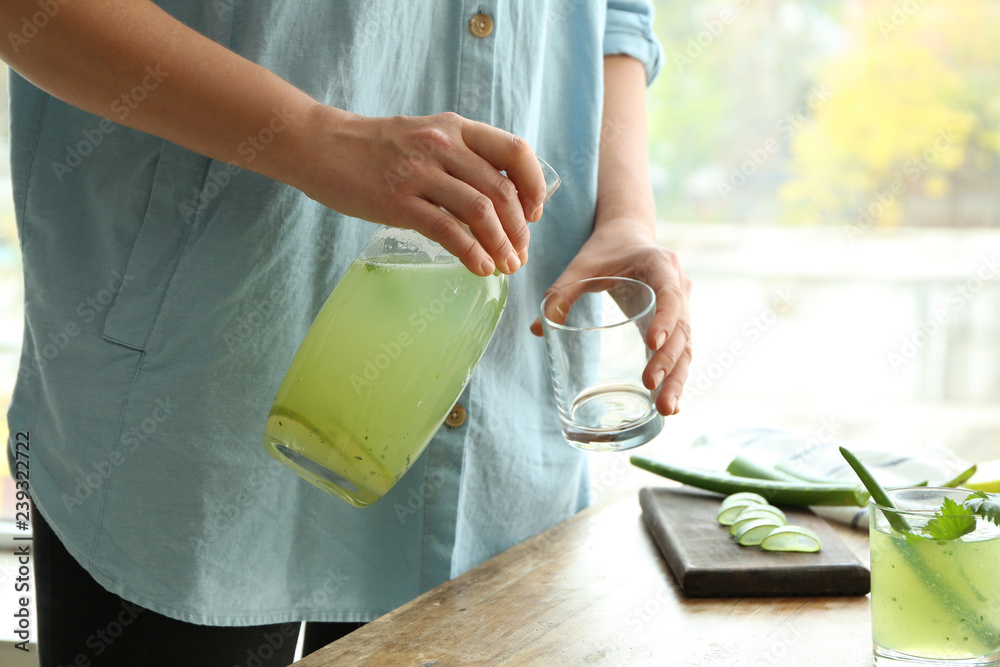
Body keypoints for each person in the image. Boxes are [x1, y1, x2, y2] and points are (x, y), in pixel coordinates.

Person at [1, 1, 692, 664]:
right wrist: (310, 136)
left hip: (497, 433)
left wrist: (626, 216)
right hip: (188, 402)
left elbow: (616, 19)